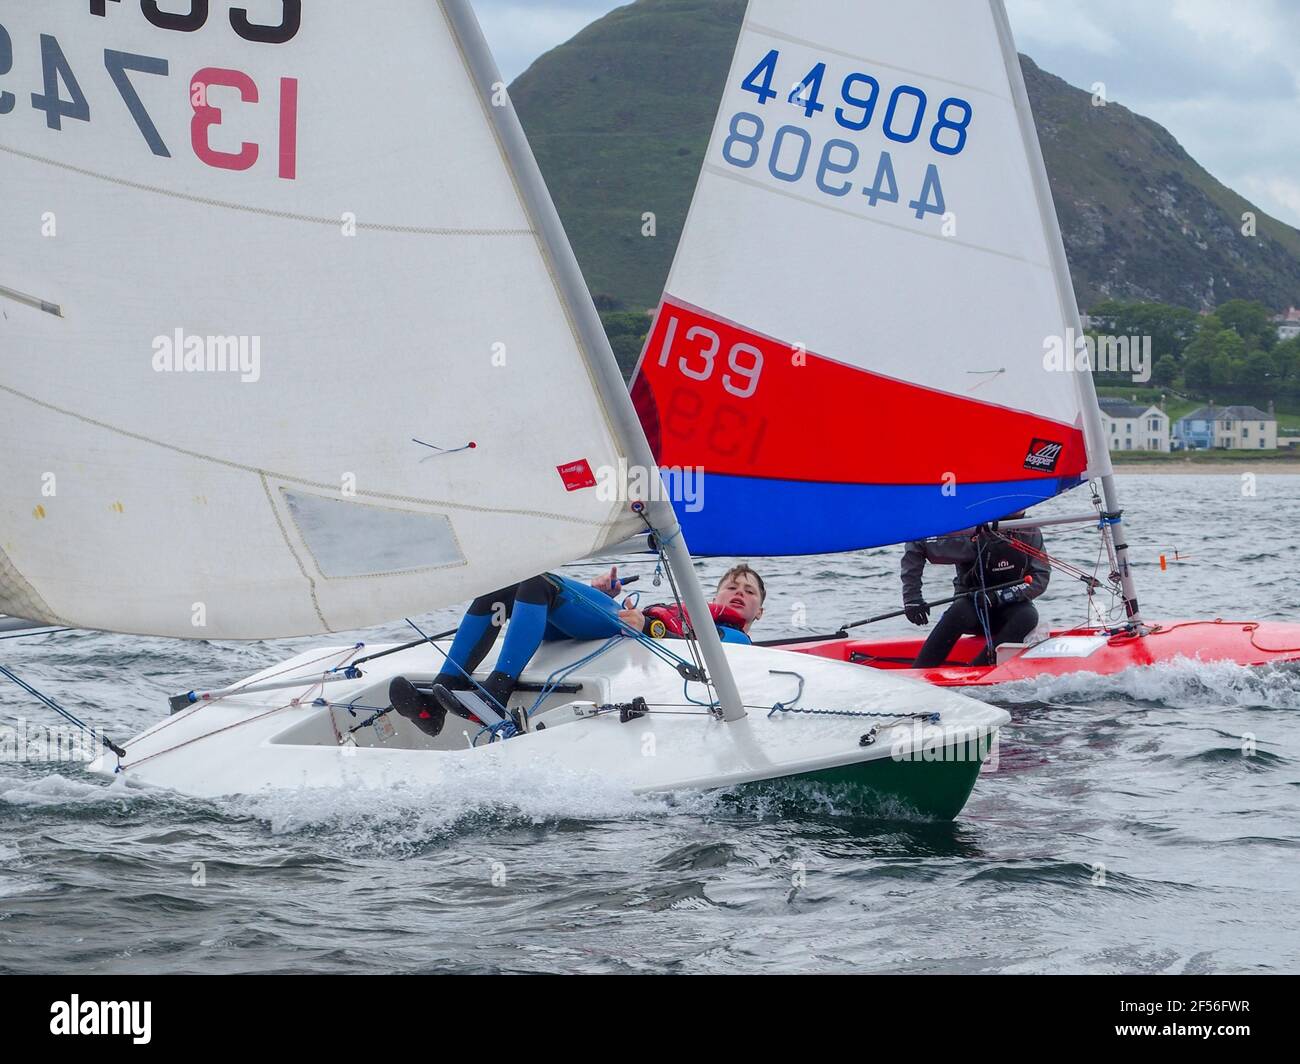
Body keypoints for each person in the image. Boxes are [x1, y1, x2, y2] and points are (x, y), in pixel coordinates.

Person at [390, 564, 766, 737]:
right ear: (713, 596)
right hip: (610, 624)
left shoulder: (737, 640)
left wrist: (649, 624)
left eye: (749, 592)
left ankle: (495, 694)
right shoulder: (684, 610)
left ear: (759, 612)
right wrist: (603, 596)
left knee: (536, 582)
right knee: (504, 582)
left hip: (623, 629)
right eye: (732, 587)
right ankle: (437, 699)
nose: (739, 593)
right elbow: (639, 616)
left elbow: (722, 645)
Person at [901, 517, 1049, 668]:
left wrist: (1000, 596)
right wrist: (912, 597)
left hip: (1011, 610)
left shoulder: (1029, 530)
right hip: (973, 610)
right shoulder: (971, 534)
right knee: (960, 611)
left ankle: (977, 668)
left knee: (1028, 616)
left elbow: (1041, 577)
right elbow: (917, 543)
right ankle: (920, 669)